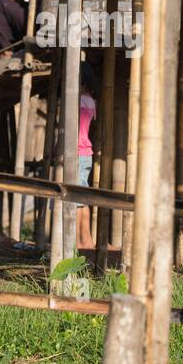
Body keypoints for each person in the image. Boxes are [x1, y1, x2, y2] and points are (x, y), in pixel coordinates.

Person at [76, 61, 98, 251]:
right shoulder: (91, 101)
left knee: (75, 199)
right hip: (86, 152)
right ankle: (87, 240)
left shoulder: (79, 101)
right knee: (82, 198)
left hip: (76, 152)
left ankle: (77, 240)